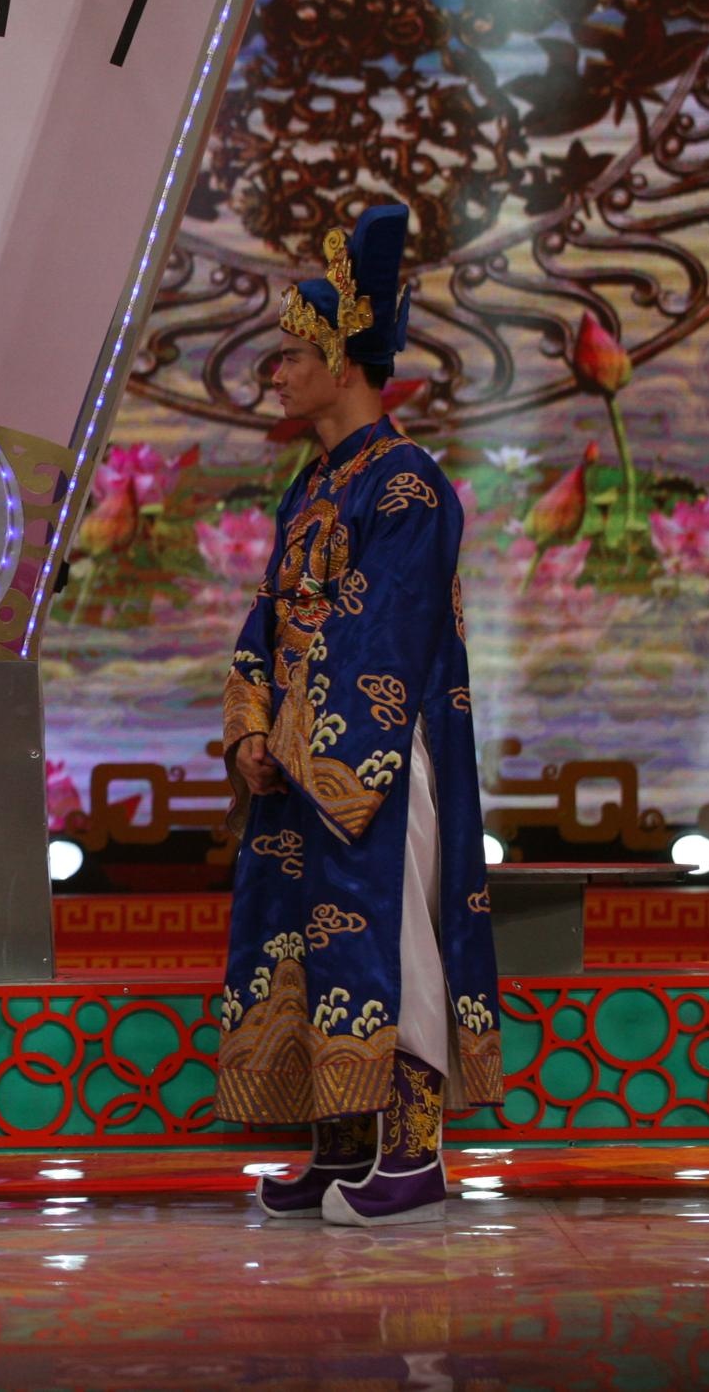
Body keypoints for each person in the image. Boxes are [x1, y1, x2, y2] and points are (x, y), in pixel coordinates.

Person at [213, 203, 502, 1226]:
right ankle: (338, 1147)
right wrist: (251, 729)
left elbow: (382, 636)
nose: (277, 373)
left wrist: (298, 736)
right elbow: (267, 615)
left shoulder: (407, 486)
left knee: (393, 943)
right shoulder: (311, 486)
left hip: (376, 757)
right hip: (301, 755)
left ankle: (414, 1158)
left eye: (292, 354)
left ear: (342, 361)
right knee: (304, 943)